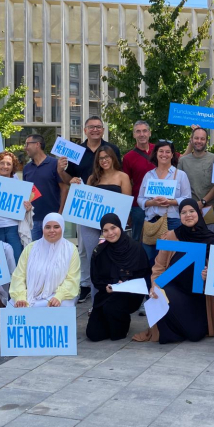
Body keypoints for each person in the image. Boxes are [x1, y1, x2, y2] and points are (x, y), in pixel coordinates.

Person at [134, 199, 214, 343]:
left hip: (198, 295)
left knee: (196, 335)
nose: (188, 215)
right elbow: (159, 266)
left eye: (192, 211)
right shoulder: (171, 236)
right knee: (160, 296)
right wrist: (155, 286)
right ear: (179, 216)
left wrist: (209, 274)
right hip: (174, 290)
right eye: (183, 212)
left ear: (199, 213)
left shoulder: (212, 240)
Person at [56, 116, 121, 289]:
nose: (95, 130)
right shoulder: (75, 151)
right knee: (86, 249)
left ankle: (110, 283)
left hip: (108, 204)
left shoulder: (112, 149)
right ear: (85, 130)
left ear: (103, 130)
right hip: (86, 206)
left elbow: (118, 175)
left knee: (111, 244)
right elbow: (69, 179)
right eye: (91, 127)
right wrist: (61, 171)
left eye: (99, 127)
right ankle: (87, 284)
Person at [70, 145, 132, 303]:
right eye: (101, 158)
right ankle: (96, 302)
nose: (104, 160)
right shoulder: (93, 178)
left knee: (114, 261)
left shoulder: (122, 177)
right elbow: (85, 198)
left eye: (107, 157)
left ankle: (114, 300)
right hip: (91, 224)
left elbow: (126, 203)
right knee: (94, 261)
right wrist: (76, 184)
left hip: (113, 227)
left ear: (113, 158)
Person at [86, 213, 151, 342]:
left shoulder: (135, 248)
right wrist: (106, 287)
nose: (110, 233)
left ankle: (123, 323)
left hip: (130, 294)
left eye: (113, 228)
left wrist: (126, 283)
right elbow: (96, 279)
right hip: (107, 293)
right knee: (93, 335)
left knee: (116, 333)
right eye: (105, 230)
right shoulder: (99, 252)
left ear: (120, 227)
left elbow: (144, 275)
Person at [9, 213, 81, 307]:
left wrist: (59, 296)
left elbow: (72, 279)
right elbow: (19, 276)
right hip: (30, 295)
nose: (52, 231)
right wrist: (20, 297)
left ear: (62, 228)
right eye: (47, 227)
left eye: (56, 227)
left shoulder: (71, 249)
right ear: (43, 229)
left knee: (63, 306)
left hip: (58, 297)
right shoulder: (31, 248)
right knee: (13, 307)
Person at [138, 140, 191, 263]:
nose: (164, 154)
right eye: (161, 151)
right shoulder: (148, 175)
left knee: (170, 259)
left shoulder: (180, 175)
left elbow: (187, 198)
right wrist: (152, 203)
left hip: (172, 221)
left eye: (168, 152)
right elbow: (140, 199)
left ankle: (167, 283)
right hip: (151, 221)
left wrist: (169, 201)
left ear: (172, 155)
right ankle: (151, 282)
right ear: (156, 153)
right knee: (149, 259)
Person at [22, 134, 66, 241]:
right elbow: (25, 193)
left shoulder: (55, 164)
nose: (25, 148)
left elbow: (64, 189)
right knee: (34, 252)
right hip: (33, 219)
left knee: (54, 251)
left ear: (37, 145)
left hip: (52, 219)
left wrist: (59, 214)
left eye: (27, 144)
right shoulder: (26, 168)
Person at [178, 127, 214, 233]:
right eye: (196, 138)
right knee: (191, 245)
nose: (199, 141)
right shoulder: (183, 161)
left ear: (206, 141)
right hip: (188, 211)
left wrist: (203, 202)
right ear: (191, 140)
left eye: (202, 139)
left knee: (210, 245)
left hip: (210, 209)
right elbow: (179, 186)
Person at [122, 120, 156, 242]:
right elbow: (125, 184)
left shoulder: (160, 150)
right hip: (138, 206)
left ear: (149, 133)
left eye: (144, 131)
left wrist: (191, 139)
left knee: (161, 239)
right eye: (138, 131)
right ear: (134, 135)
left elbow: (182, 158)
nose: (142, 134)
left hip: (161, 202)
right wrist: (127, 210)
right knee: (137, 240)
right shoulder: (128, 157)